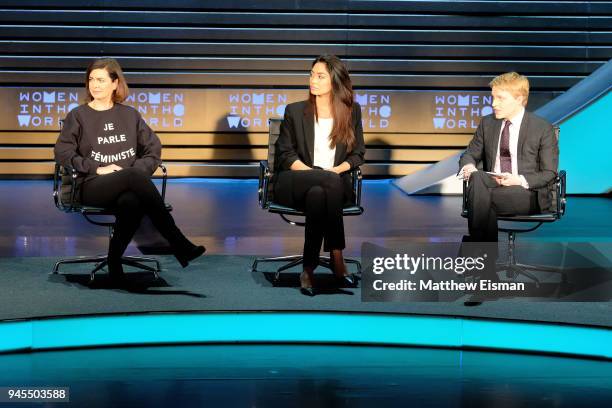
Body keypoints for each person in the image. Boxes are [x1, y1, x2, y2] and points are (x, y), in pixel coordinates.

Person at [54, 58, 205, 281]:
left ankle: (114, 261)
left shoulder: (130, 115)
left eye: (101, 80)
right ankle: (178, 242)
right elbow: (63, 152)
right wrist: (98, 168)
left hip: (128, 186)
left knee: (132, 201)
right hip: (89, 185)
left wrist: (134, 174)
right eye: (91, 80)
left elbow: (153, 149)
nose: (94, 85)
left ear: (115, 83)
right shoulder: (78, 115)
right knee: (133, 179)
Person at [274, 54, 366, 296]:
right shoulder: (294, 111)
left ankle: (308, 269)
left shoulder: (351, 111)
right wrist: (317, 174)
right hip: (295, 181)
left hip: (333, 184)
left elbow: (358, 155)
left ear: (334, 81)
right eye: (311, 74)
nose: (312, 80)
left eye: (320, 76)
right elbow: (284, 155)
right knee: (321, 183)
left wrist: (334, 172)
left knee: (318, 194)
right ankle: (337, 255)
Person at [459, 72, 559, 242]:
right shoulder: (487, 123)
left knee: (479, 200)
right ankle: (482, 256)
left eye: (500, 98)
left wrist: (518, 180)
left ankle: (479, 256)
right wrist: (468, 166)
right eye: (493, 97)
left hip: (526, 192)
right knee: (477, 178)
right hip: (491, 184)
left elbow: (549, 173)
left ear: (519, 99)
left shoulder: (543, 128)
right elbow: (470, 153)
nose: (493, 104)